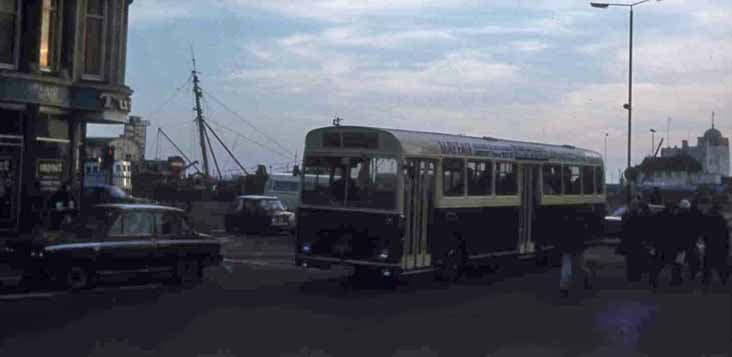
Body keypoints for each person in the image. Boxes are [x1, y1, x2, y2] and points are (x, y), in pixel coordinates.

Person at [556, 214, 592, 297]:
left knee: (567, 269)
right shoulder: (581, 223)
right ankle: (586, 280)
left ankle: (564, 288)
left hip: (568, 249)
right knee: (582, 267)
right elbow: (584, 236)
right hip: (578, 248)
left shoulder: (565, 223)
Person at [620, 195, 647, 282]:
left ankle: (631, 277)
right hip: (638, 242)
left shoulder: (626, 215)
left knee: (630, 260)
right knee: (637, 260)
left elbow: (623, 227)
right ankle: (636, 276)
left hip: (629, 241)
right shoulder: (641, 216)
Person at [701, 203, 730, 286]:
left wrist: (706, 240)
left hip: (710, 244)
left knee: (708, 264)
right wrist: (727, 245)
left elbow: (704, 233)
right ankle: (723, 279)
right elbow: (725, 234)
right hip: (720, 245)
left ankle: (706, 280)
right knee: (721, 263)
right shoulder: (721, 220)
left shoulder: (707, 219)